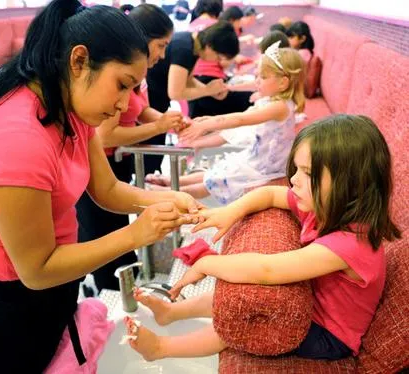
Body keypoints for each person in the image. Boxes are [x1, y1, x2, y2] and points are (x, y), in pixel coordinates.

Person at [0, 1, 202, 372]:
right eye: (122, 85)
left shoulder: (70, 108)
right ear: (79, 61)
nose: (124, 104)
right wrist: (136, 235)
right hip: (10, 300)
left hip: (57, 276)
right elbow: (36, 268)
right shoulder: (16, 138)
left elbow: (107, 190)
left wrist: (163, 198)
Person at [126, 114, 401, 362]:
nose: (293, 180)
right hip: (313, 301)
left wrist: (205, 263)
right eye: (295, 169)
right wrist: (230, 212)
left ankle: (161, 348)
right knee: (229, 295)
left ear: (350, 183)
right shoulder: (326, 206)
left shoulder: (349, 244)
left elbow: (266, 270)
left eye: (307, 173)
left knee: (243, 316)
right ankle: (171, 313)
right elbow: (269, 194)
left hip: (329, 335)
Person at [76, 3, 186, 291]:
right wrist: (159, 127)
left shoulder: (136, 77)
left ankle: (128, 286)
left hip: (117, 169)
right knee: (104, 239)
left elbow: (140, 110)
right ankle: (112, 295)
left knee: (120, 232)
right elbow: (105, 137)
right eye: (160, 46)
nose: (162, 55)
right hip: (102, 167)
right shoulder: (113, 85)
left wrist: (165, 120)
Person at [146, 44, 305, 205]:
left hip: (265, 168)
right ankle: (173, 180)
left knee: (213, 183)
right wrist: (208, 119)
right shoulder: (271, 101)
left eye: (262, 77)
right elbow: (242, 117)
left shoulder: (280, 107)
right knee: (216, 172)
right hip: (256, 158)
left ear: (283, 83)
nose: (257, 81)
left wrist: (207, 125)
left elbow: (240, 120)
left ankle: (170, 192)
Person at [144, 21, 239, 174]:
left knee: (153, 157)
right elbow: (175, 92)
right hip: (150, 104)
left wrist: (210, 91)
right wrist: (207, 90)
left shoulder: (191, 45)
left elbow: (187, 79)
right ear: (209, 46)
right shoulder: (184, 49)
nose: (217, 61)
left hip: (156, 103)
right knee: (149, 160)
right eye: (218, 56)